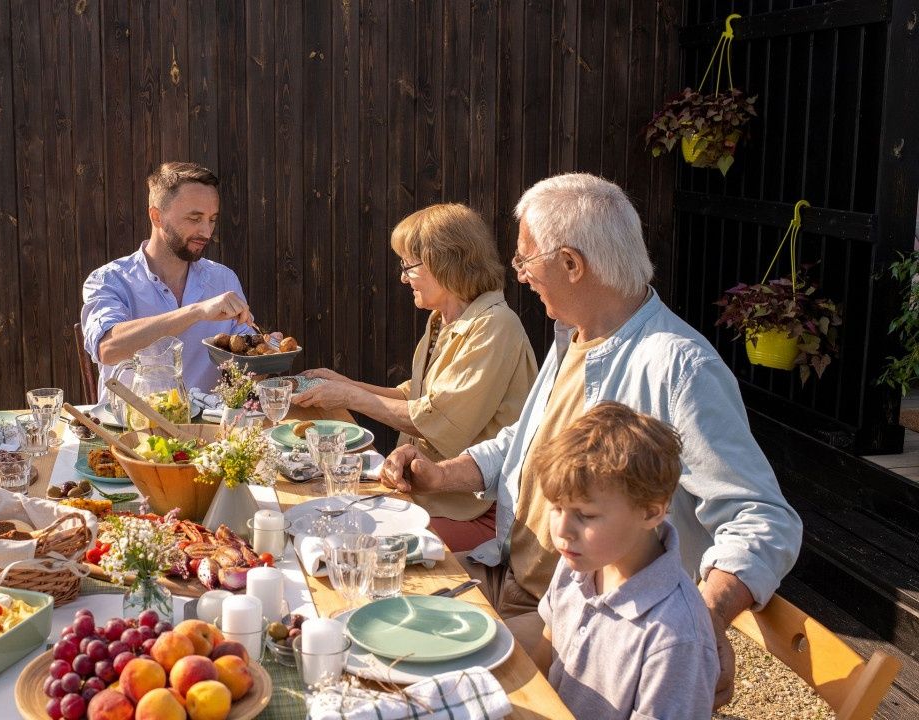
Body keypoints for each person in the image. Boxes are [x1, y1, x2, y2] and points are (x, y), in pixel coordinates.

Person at [380, 173, 802, 708]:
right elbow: (525, 440)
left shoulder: (680, 367)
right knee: (376, 611)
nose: (520, 274)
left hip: (578, 628)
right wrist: (443, 474)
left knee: (406, 675)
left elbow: (764, 518)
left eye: (525, 259)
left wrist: (706, 614)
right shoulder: (576, 336)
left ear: (571, 264)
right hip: (519, 583)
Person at [295, 203, 537, 551]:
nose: (403, 278)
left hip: (474, 510)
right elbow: (419, 396)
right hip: (427, 496)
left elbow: (438, 419)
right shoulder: (444, 320)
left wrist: (347, 397)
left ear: (444, 261)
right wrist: (343, 383)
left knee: (353, 545)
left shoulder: (495, 325)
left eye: (409, 266)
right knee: (324, 517)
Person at [528, 402, 718, 719]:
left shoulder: (675, 637)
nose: (562, 530)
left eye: (585, 515)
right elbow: (545, 654)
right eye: (557, 508)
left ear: (651, 512)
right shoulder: (579, 563)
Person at [81, 161, 257, 398]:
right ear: (157, 216)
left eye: (212, 219)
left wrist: (269, 357)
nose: (206, 232)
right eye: (194, 218)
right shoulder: (109, 280)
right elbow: (108, 348)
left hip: (210, 422)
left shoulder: (223, 279)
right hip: (131, 421)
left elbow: (246, 373)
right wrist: (197, 312)